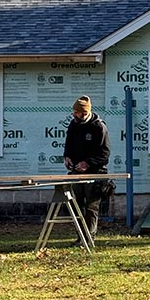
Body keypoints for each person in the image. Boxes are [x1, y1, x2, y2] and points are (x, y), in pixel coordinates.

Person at [63, 95, 111, 243]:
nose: (77, 116)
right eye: (75, 113)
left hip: (95, 172)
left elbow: (105, 153)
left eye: (80, 113)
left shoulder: (99, 127)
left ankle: (89, 239)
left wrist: (88, 163)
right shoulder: (73, 124)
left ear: (87, 113)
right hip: (77, 173)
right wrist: (67, 157)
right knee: (76, 206)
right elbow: (68, 145)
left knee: (91, 207)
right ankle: (80, 238)